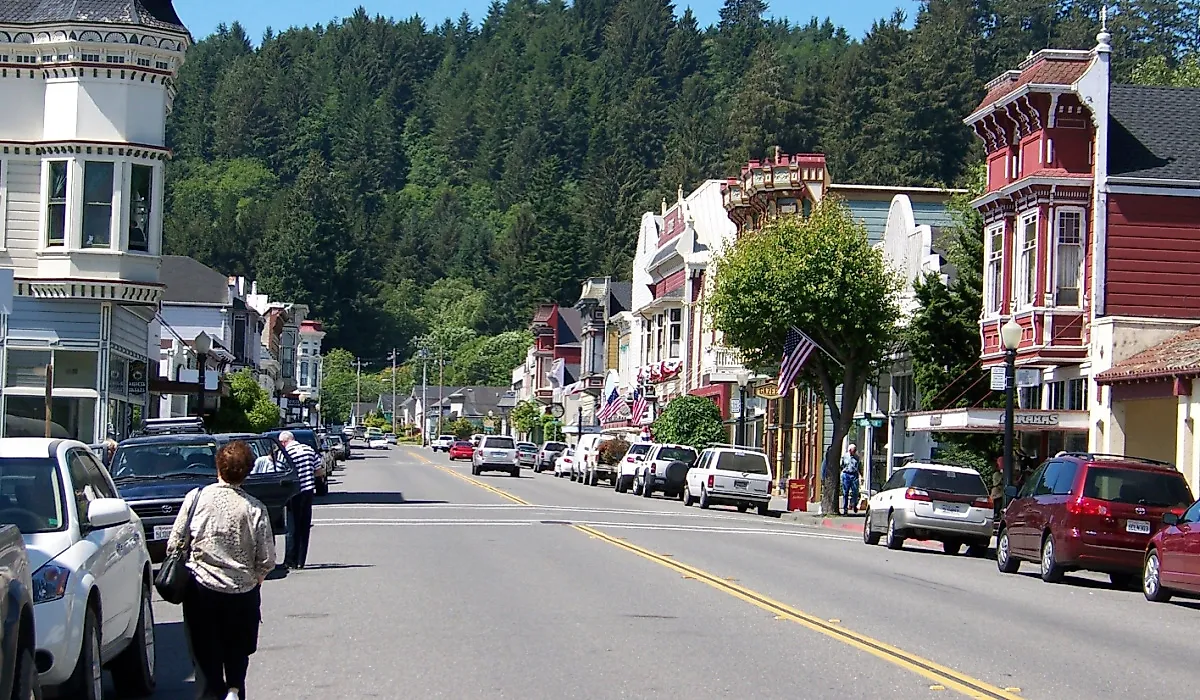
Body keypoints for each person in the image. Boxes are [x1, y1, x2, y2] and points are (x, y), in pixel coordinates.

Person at [166, 441, 274, 700]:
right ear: (247, 472)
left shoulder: (196, 499)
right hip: (242, 591)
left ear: (218, 467)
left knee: (206, 661)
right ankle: (234, 691)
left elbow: (174, 543)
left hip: (201, 589)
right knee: (237, 653)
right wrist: (256, 577)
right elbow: (267, 558)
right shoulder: (254, 508)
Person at [279, 430, 317, 570]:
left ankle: (290, 560)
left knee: (292, 526)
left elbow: (281, 471)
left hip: (293, 492)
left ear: (284, 442)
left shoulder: (286, 453)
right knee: (304, 526)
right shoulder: (309, 449)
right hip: (308, 491)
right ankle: (301, 560)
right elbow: (319, 469)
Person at [840, 444, 862, 516]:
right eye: (853, 451)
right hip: (846, 475)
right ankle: (845, 509)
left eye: (855, 451)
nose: (854, 452)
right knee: (845, 492)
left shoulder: (857, 457)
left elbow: (859, 467)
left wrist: (861, 475)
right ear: (849, 450)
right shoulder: (845, 456)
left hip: (854, 475)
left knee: (855, 492)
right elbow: (841, 465)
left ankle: (854, 504)